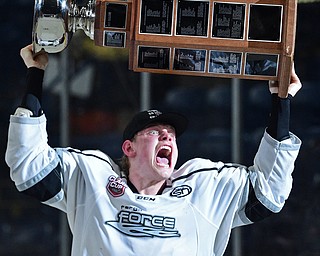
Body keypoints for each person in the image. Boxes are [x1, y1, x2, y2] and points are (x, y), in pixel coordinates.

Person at [6, 44, 302, 256]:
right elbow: (30, 166)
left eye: (171, 135)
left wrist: (282, 101)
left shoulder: (203, 188)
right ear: (129, 147)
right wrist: (36, 72)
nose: (167, 138)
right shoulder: (92, 178)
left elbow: (268, 191)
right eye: (155, 132)